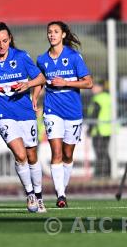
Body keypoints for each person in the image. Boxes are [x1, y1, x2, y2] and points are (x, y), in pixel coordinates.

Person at [0, 22, 47, 213]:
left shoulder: (21, 56)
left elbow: (41, 78)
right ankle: (29, 194)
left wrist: (29, 87)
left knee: (32, 156)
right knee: (20, 155)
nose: (1, 46)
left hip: (26, 113)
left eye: (4, 41)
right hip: (4, 115)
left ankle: (39, 196)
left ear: (10, 38)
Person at [33, 21, 93, 208]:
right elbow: (40, 81)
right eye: (49, 32)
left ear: (63, 35)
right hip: (52, 111)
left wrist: (66, 83)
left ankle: (62, 190)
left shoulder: (74, 57)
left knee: (68, 154)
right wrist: (34, 97)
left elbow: (88, 83)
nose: (52, 35)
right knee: (56, 152)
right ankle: (61, 195)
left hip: (73, 112)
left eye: (56, 32)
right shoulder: (42, 59)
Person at [87, 77, 112, 178]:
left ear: (100, 87)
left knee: (100, 153)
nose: (92, 88)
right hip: (107, 129)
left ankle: (100, 174)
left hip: (99, 130)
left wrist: (90, 129)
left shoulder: (98, 99)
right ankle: (108, 172)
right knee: (105, 152)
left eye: (94, 86)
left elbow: (94, 115)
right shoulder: (108, 97)